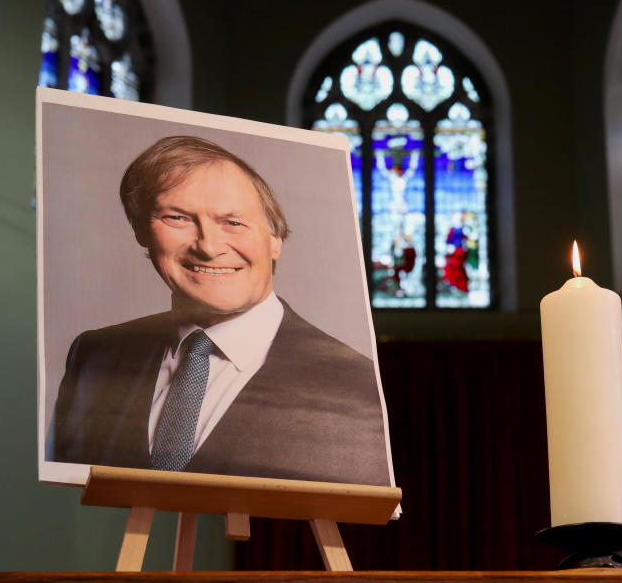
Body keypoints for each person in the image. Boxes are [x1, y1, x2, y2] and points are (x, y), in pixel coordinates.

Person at [50, 135, 390, 486]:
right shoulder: (94, 356)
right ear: (140, 231)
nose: (209, 248)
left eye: (233, 222)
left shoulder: (349, 382)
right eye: (177, 217)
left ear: (275, 240)